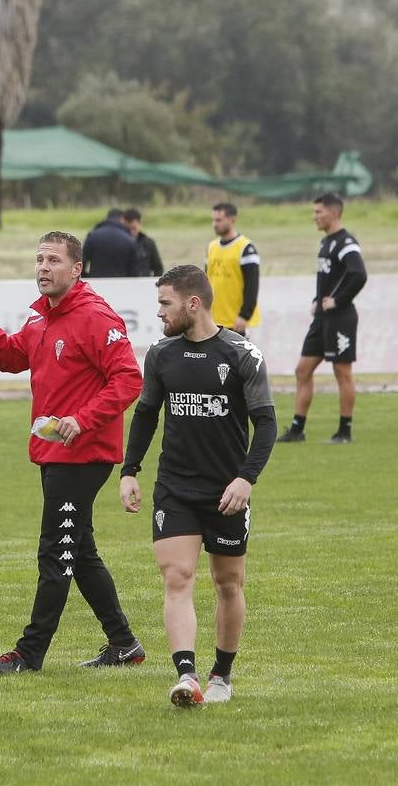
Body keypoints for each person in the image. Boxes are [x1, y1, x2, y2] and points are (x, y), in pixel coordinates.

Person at [0, 231, 144, 674]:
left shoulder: (95, 317)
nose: (43, 267)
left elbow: (129, 379)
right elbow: (14, 357)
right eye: (39, 259)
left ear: (77, 269)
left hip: (83, 455)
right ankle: (124, 644)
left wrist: (83, 418)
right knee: (79, 550)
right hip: (55, 453)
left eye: (53, 260)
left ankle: (29, 653)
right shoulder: (42, 318)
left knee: (56, 552)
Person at [119, 265, 276, 707]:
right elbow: (147, 413)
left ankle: (222, 676)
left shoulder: (243, 354)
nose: (159, 314)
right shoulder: (161, 354)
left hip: (227, 492)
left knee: (228, 583)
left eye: (165, 304)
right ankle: (186, 676)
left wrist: (246, 479)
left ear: (193, 303)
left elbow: (266, 425)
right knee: (177, 577)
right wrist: (129, 470)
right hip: (175, 488)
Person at [278, 193, 367, 445]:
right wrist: (318, 301)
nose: (314, 216)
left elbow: (358, 274)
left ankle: (344, 432)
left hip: (341, 318)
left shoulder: (345, 242)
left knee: (342, 372)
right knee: (302, 370)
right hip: (322, 319)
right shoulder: (325, 243)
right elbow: (332, 278)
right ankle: (297, 430)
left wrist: (337, 299)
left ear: (334, 213)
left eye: (318, 211)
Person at [204, 202, 260, 336]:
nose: (214, 224)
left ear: (232, 220)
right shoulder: (211, 247)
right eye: (213, 220)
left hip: (236, 322)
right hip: (214, 321)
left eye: (218, 220)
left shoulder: (246, 248)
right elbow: (205, 282)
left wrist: (244, 316)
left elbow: (252, 286)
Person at [81, 208, 139, 278]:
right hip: (121, 285)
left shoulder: (92, 236)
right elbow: (134, 272)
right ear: (122, 219)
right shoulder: (129, 239)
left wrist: (88, 277)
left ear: (107, 218)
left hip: (96, 284)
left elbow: (81, 264)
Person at [123, 208, 164, 277]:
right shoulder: (119, 244)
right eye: (127, 229)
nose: (131, 232)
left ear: (140, 224)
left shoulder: (149, 243)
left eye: (134, 228)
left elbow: (158, 268)